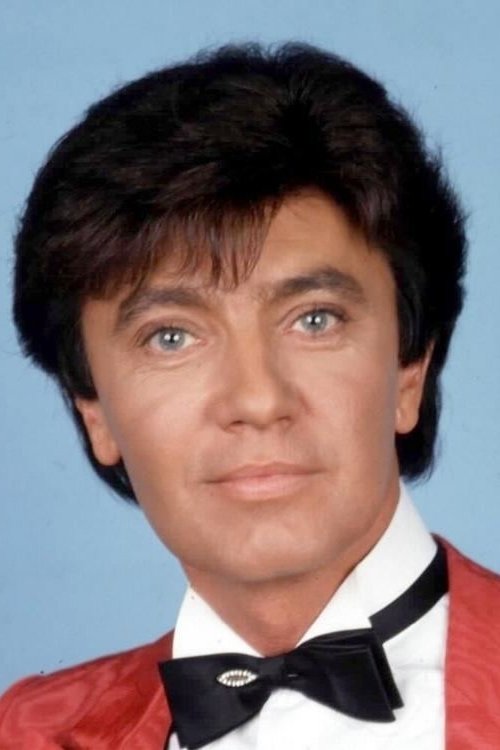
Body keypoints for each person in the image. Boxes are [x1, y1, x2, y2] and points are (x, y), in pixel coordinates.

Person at [0, 42, 499, 749]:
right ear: (94, 412)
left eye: (315, 320)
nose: (258, 400)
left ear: (410, 369)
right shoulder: (27, 733)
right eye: (170, 336)